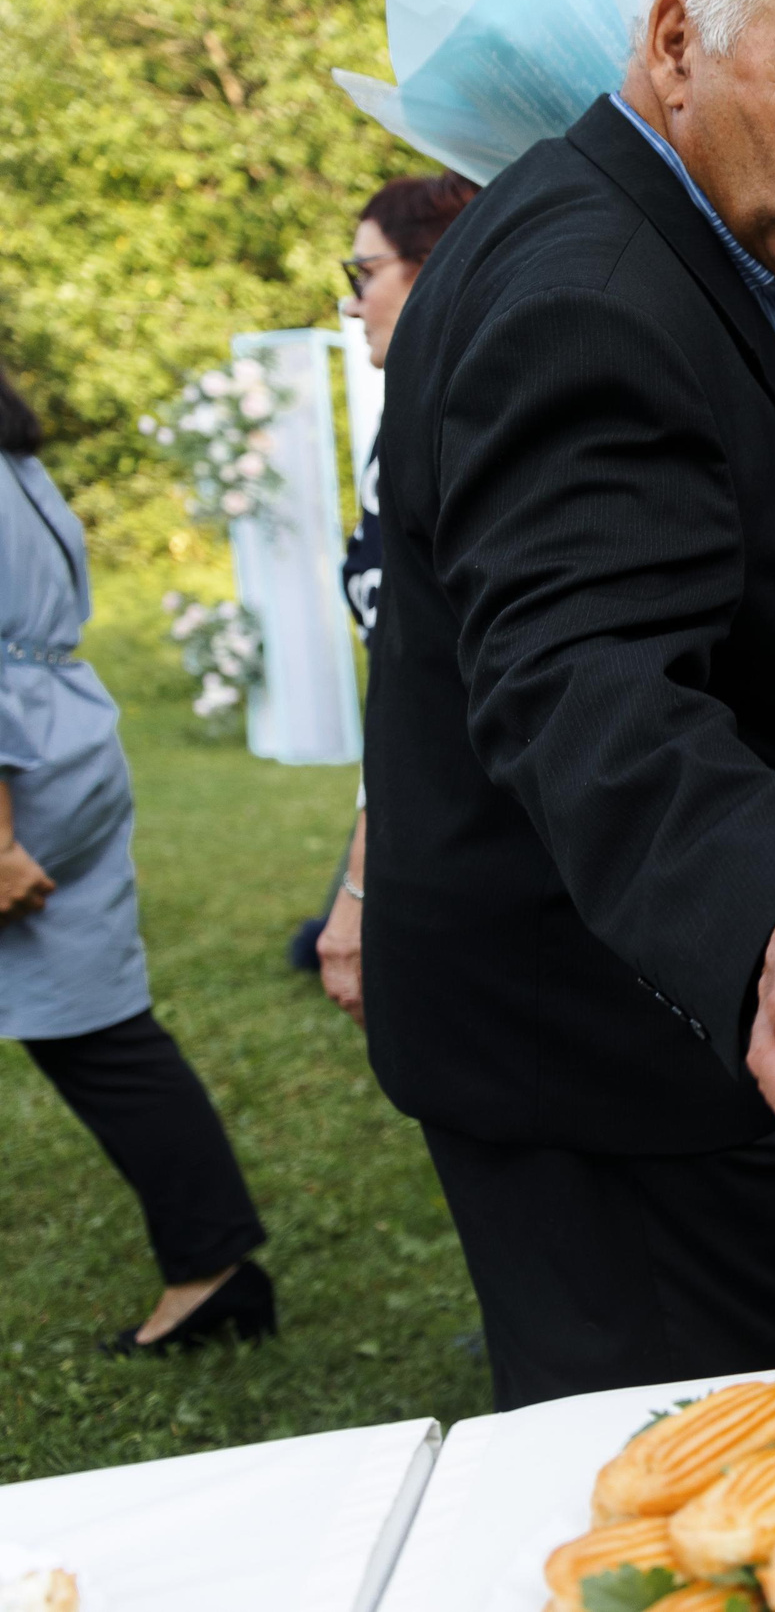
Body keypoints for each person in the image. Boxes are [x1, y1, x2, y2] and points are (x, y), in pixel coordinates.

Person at [365, 0, 775, 1408]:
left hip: (610, 1023)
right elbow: (580, 668)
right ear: (677, 47)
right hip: (609, 1057)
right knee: (701, 1478)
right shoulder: (590, 288)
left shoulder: (646, 223)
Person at [1, 360, 275, 1354]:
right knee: (102, 1027)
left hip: (20, 766)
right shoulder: (16, 462)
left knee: (100, 1040)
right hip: (64, 736)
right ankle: (214, 1265)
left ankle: (210, 1268)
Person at [289, 170, 480, 1023]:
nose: (353, 302)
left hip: (470, 820)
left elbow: (440, 678)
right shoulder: (409, 412)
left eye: (364, 273)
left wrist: (363, 888)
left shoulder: (457, 421)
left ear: (432, 265)